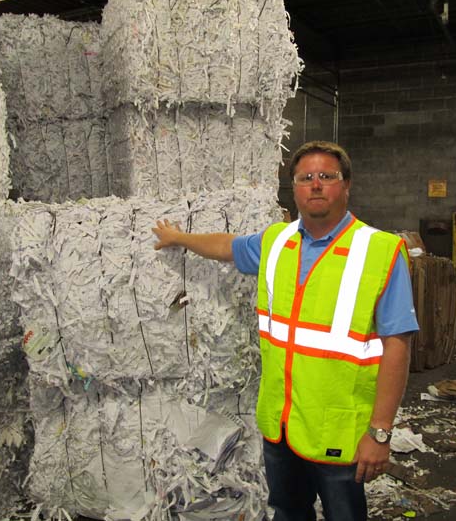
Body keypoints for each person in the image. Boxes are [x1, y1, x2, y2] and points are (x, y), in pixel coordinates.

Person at [152, 141, 418, 521]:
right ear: (293, 188)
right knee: (289, 512)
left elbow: (398, 346)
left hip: (337, 430)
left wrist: (379, 433)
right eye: (305, 178)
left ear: (346, 186)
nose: (315, 184)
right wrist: (180, 239)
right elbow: (227, 247)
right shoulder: (277, 242)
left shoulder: (380, 250)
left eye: (326, 176)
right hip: (281, 425)